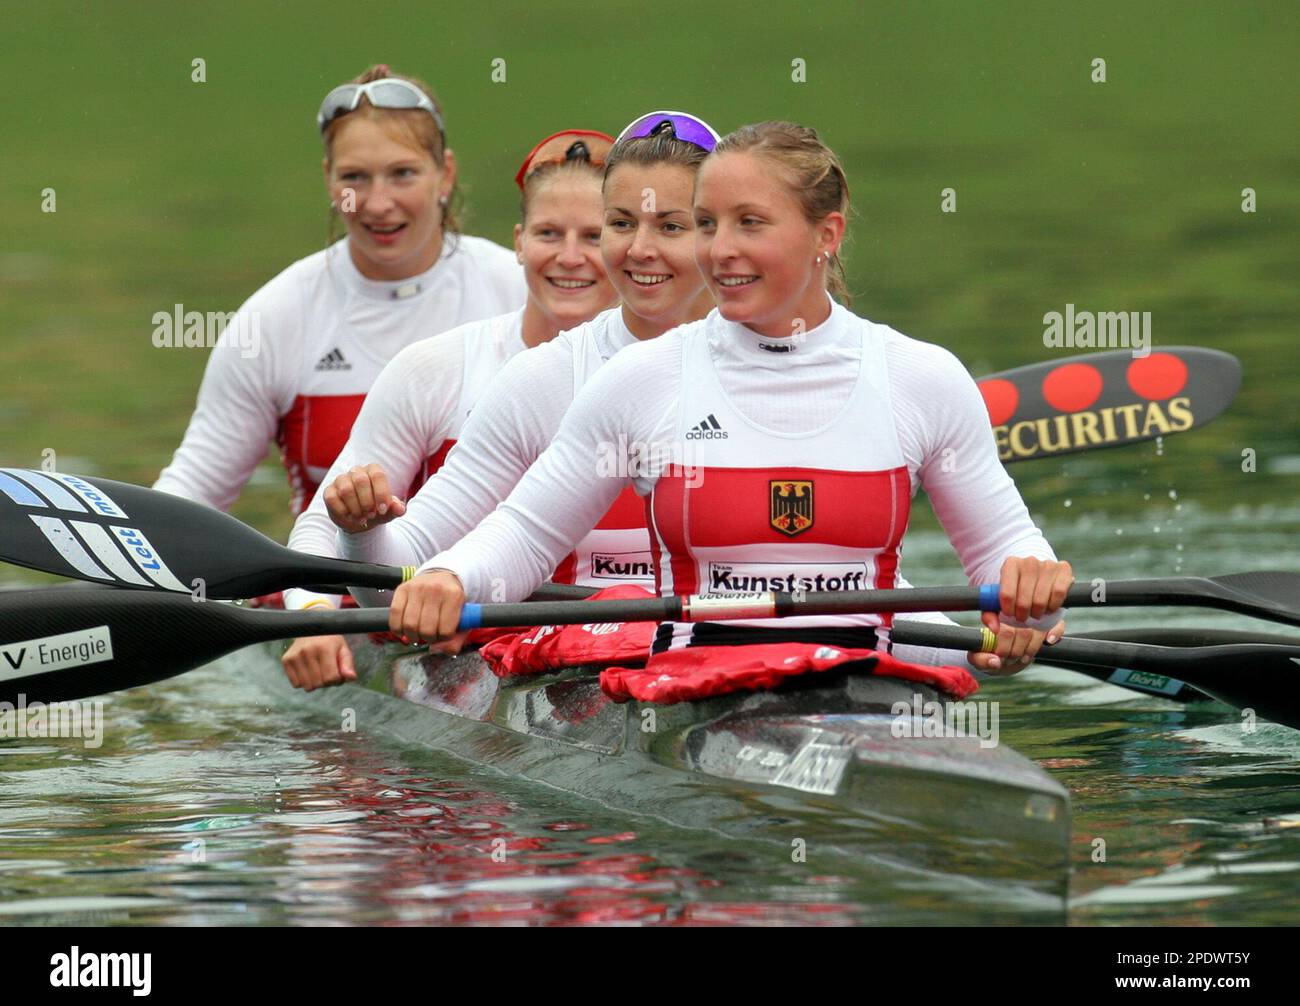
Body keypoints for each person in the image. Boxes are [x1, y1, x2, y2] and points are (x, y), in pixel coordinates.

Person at [384, 121, 1073, 676]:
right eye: (709, 223)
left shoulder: (923, 378)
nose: (721, 251)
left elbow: (1010, 562)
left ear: (825, 237)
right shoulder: (642, 380)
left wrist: (1027, 611)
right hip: (693, 698)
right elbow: (527, 536)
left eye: (750, 223)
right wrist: (448, 578)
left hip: (870, 690)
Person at [287, 112, 721, 690]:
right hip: (576, 661)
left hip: (737, 648)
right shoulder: (539, 378)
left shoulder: (806, 362)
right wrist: (364, 547)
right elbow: (406, 570)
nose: (637, 249)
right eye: (618, 224)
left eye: (671, 226)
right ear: (520, 243)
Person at [154, 65, 525, 517]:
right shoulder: (276, 317)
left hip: (485, 584)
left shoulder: (519, 291)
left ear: (444, 174)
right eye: (354, 178)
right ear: (329, 179)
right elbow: (195, 488)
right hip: (321, 587)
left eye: (403, 173)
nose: (377, 203)